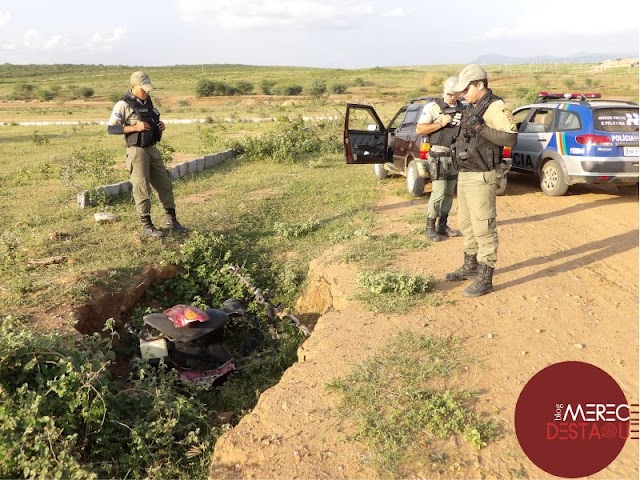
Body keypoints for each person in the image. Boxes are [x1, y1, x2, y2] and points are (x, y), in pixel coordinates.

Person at [445, 64, 517, 297]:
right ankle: (471, 266)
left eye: (466, 89)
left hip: (482, 174)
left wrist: (480, 127)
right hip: (466, 173)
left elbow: (510, 137)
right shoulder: (472, 106)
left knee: (483, 226)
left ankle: (485, 278)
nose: (462, 94)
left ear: (480, 84)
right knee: (466, 223)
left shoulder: (495, 106)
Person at [107, 71, 188, 237]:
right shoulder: (123, 104)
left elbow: (152, 121)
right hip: (137, 151)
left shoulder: (148, 102)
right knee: (141, 186)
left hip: (152, 148)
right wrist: (134, 128)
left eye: (148, 89)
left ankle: (171, 220)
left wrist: (160, 126)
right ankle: (147, 225)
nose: (146, 92)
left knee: (164, 184)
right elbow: (111, 128)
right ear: (133, 87)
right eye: (143, 89)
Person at [416, 77, 463, 242]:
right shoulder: (433, 107)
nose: (452, 97)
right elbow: (420, 129)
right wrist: (440, 123)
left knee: (450, 192)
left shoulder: (462, 108)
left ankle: (443, 225)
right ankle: (430, 227)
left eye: (455, 94)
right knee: (439, 191)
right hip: (438, 155)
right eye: (449, 93)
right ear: (444, 90)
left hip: (453, 155)